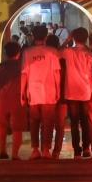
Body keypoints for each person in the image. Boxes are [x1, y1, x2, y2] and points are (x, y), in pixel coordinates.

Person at [21, 24, 61, 158]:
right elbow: (56, 73)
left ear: (33, 36)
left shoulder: (27, 53)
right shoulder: (52, 52)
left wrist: (22, 92)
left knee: (34, 122)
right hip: (49, 91)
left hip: (33, 92)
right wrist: (58, 90)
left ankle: (35, 149)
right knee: (48, 122)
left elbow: (24, 74)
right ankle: (46, 149)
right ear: (46, 36)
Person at [62, 27, 92, 158]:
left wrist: (67, 40)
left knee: (74, 122)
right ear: (86, 38)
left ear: (74, 37)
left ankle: (77, 151)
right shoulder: (90, 55)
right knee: (85, 121)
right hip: (85, 91)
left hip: (71, 91)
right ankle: (86, 148)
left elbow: (57, 52)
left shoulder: (68, 52)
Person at [0, 41, 25, 160]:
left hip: (3, 99)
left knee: (2, 126)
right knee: (17, 128)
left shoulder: (1, 66)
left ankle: (3, 151)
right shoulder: (22, 65)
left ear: (5, 53)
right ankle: (15, 154)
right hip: (18, 99)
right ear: (18, 53)